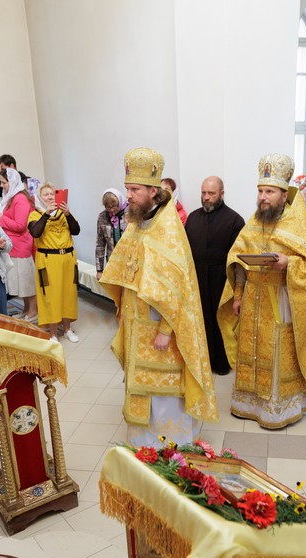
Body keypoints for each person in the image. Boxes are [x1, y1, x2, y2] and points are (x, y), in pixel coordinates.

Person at [100, 147, 217, 445]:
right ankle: (143, 441)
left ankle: (170, 440)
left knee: (164, 386)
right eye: (127, 188)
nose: (129, 195)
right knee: (139, 382)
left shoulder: (168, 228)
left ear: (153, 191)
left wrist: (166, 329)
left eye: (135, 190)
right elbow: (124, 268)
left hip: (160, 324)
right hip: (136, 320)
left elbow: (177, 287)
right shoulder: (137, 223)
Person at [218, 153, 306, 429]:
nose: (263, 197)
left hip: (282, 297)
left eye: (270, 192)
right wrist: (237, 295)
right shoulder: (255, 221)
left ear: (284, 194)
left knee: (276, 351)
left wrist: (289, 263)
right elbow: (238, 261)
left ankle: (277, 410)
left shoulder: (297, 222)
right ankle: (249, 404)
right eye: (260, 191)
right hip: (252, 298)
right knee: (251, 348)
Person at [184, 176, 245, 375]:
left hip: (222, 281)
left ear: (222, 194)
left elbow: (238, 259)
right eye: (203, 193)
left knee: (219, 323)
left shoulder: (235, 220)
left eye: (211, 193)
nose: (206, 197)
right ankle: (202, 361)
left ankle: (221, 363)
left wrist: (238, 292)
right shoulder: (193, 218)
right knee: (199, 321)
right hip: (197, 279)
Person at [28, 182, 81, 342]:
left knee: (68, 294)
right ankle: (52, 333)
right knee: (50, 296)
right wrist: (46, 214)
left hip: (67, 259)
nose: (50, 197)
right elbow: (35, 233)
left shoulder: (64, 213)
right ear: (40, 197)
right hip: (48, 261)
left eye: (52, 194)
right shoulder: (35, 215)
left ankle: (67, 329)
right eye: (46, 194)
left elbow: (76, 230)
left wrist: (68, 214)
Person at [0, 167, 39, 321]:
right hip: (13, 246)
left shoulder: (20, 199)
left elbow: (20, 225)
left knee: (27, 282)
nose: (1, 185)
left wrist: (0, 217)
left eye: (4, 182)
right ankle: (27, 309)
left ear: (12, 181)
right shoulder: (12, 197)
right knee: (21, 283)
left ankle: (33, 310)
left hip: (21, 246)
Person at [96, 188, 124, 279]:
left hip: (129, 262)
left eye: (114, 206)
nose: (112, 210)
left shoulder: (130, 213)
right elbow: (100, 244)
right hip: (112, 262)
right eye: (108, 207)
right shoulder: (103, 217)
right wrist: (99, 270)